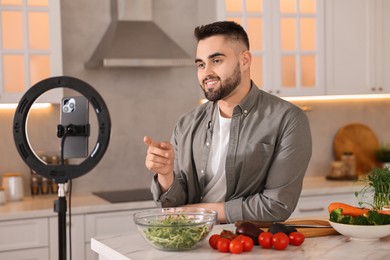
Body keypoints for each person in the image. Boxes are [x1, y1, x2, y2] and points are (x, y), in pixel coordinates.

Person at [144, 21, 312, 224]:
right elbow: (174, 206)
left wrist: (199, 212)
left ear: (245, 60)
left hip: (249, 247)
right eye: (201, 64)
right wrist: (165, 175)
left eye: (216, 60)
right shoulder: (186, 124)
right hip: (192, 244)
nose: (206, 73)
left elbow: (276, 206)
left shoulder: (288, 119)